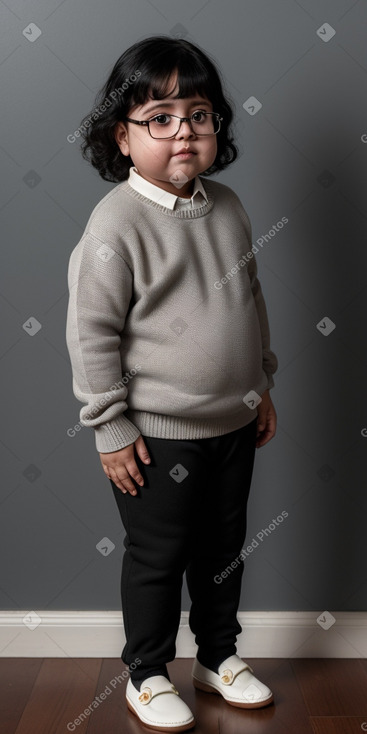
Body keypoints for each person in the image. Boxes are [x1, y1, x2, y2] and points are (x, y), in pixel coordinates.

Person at [66, 35, 278, 732]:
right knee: (158, 558)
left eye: (198, 113)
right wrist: (111, 427)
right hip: (156, 436)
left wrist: (261, 384)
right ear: (120, 138)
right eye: (159, 117)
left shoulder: (228, 206)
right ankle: (148, 672)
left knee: (223, 549)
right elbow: (91, 333)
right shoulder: (116, 224)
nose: (182, 130)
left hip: (234, 423)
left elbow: (247, 299)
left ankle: (218, 658)